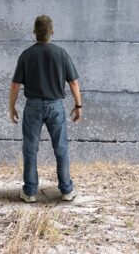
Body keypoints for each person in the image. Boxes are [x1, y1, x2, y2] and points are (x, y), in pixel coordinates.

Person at [9, 14, 83, 203]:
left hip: (33, 106)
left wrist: (12, 106)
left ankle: (30, 192)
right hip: (56, 106)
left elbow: (16, 85)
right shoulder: (61, 53)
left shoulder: (26, 54)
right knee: (61, 148)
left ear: (34, 32)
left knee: (30, 149)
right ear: (52, 32)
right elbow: (73, 82)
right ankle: (66, 190)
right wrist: (78, 105)